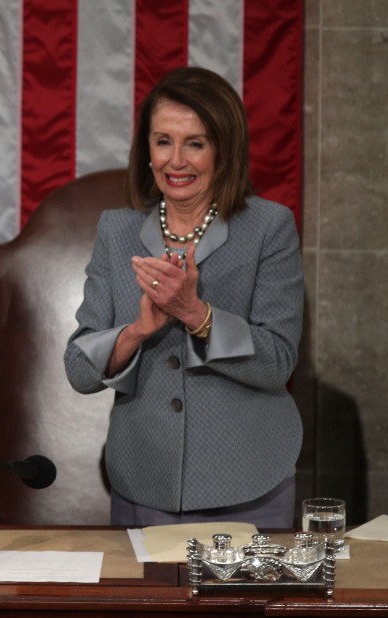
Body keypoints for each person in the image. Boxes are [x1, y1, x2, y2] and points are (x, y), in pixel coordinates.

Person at [63, 67, 304, 528]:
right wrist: (135, 333)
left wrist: (196, 314)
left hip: (248, 480)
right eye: (163, 141)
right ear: (146, 151)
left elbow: (278, 361)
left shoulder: (268, 228)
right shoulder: (117, 231)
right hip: (143, 479)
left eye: (195, 143)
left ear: (223, 149)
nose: (177, 161)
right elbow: (79, 369)